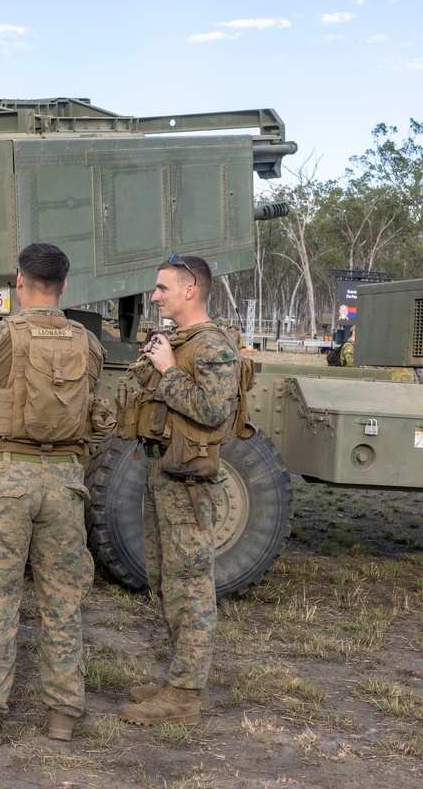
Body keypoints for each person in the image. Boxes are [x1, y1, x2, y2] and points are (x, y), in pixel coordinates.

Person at [0, 242, 114, 746]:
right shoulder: (88, 343)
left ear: (19, 280)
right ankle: (63, 713)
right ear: (64, 284)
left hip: (5, 476)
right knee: (63, 598)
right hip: (65, 479)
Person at [117, 253, 238, 727]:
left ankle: (186, 693)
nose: (154, 296)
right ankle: (180, 678)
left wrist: (168, 370)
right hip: (163, 474)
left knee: (190, 584)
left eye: (163, 288)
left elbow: (212, 411)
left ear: (191, 289)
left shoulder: (211, 346)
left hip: (188, 482)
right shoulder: (180, 342)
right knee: (167, 579)